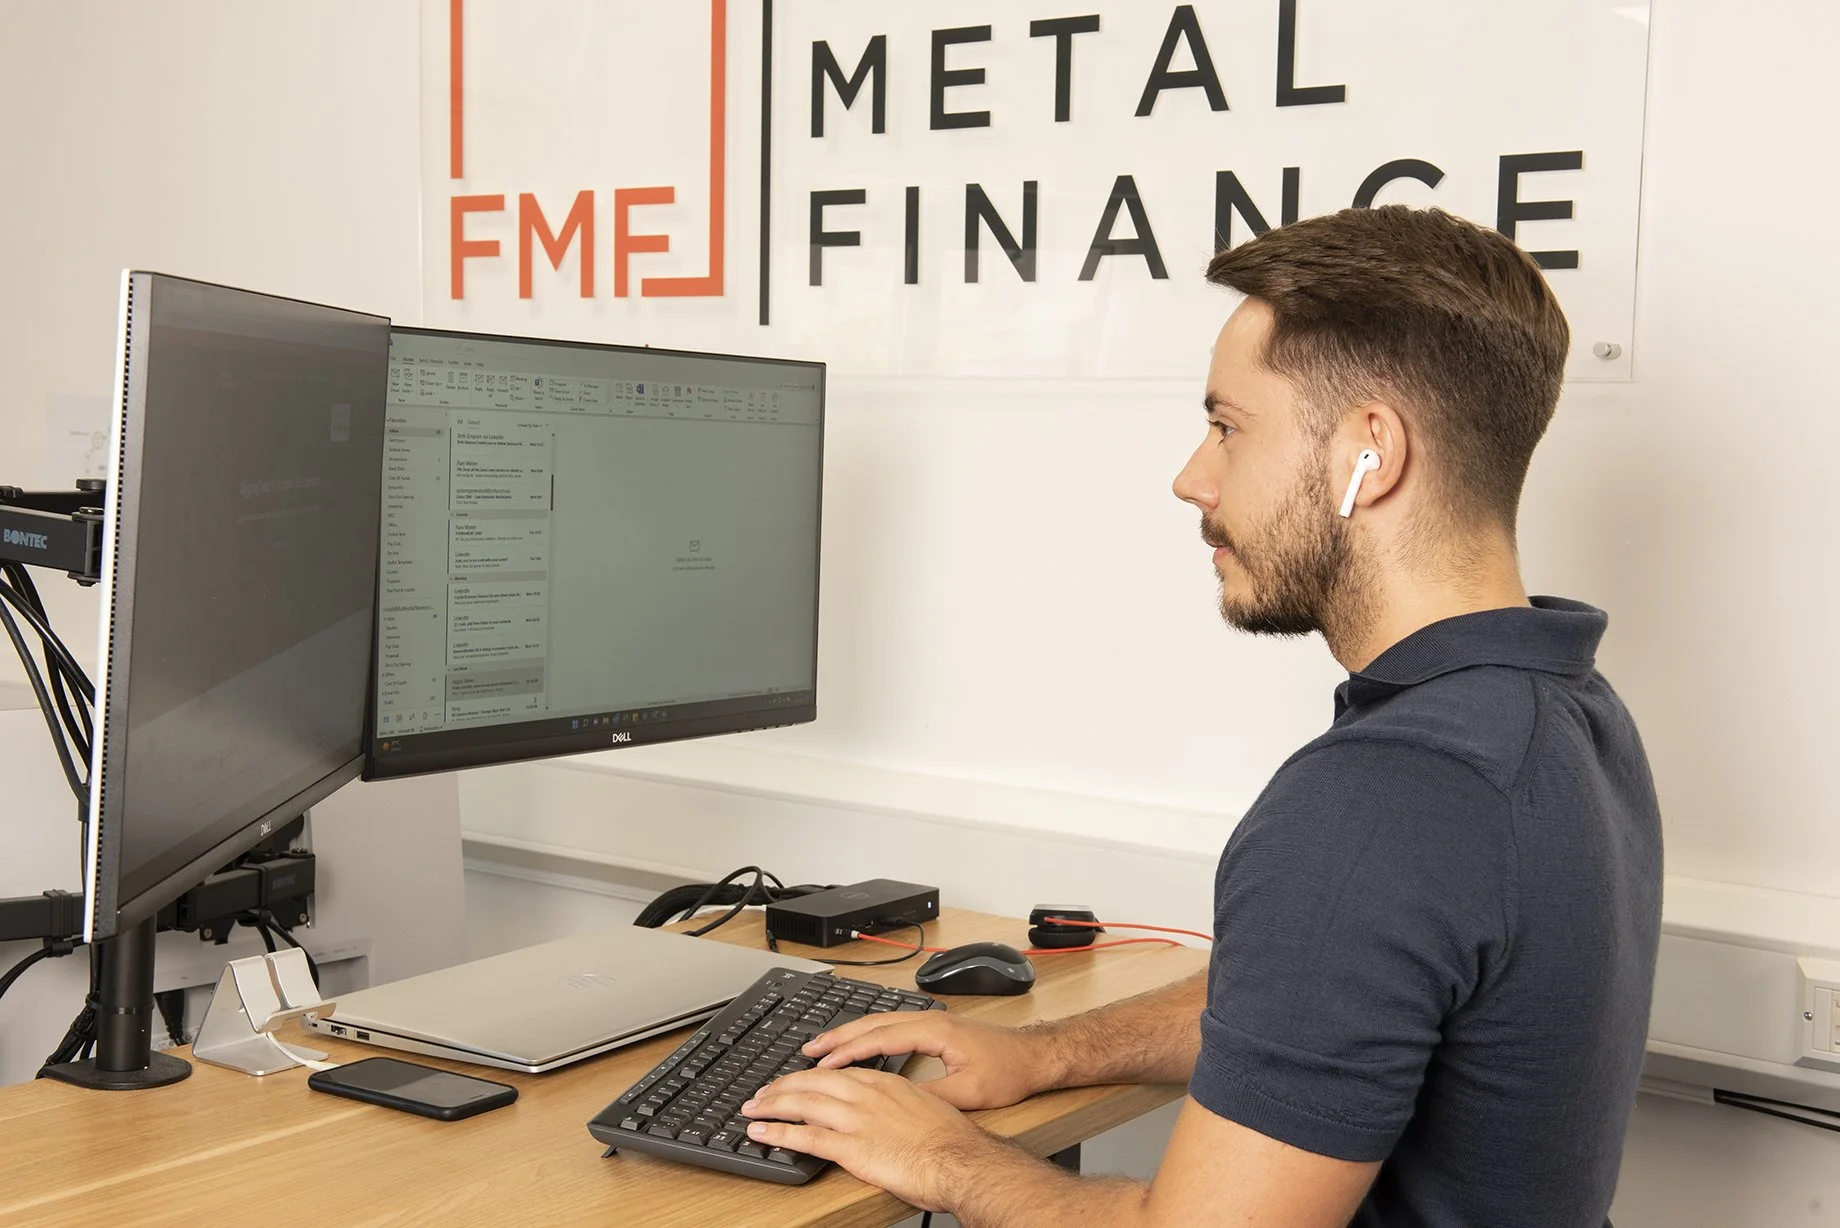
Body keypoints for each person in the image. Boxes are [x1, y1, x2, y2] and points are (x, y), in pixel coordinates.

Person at [741, 205, 1663, 1228]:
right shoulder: (1561, 712)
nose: (1194, 476)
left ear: (1370, 452)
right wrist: (1043, 1054)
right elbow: (1323, 1000)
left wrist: (947, 1161)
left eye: (1228, 426)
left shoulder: (1385, 797)